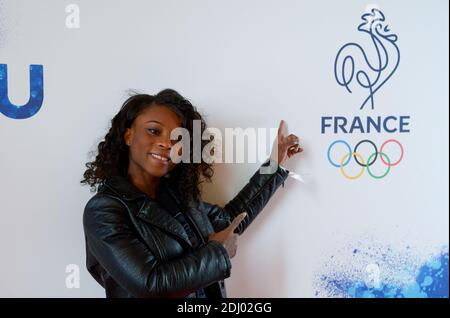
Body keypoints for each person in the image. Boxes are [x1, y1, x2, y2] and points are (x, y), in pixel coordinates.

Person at [81, 89, 303, 298]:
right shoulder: (104, 210)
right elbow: (150, 284)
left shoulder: (178, 197)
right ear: (128, 135)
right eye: (154, 130)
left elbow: (229, 222)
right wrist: (218, 253)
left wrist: (273, 166)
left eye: (178, 138)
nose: (167, 143)